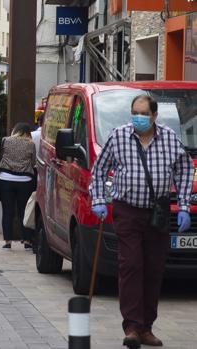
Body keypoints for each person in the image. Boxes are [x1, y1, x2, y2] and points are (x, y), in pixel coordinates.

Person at [90, 95, 194, 349]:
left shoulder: (169, 137)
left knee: (154, 269)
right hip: (128, 212)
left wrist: (183, 206)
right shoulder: (119, 136)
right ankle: (132, 327)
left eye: (143, 113)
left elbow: (185, 169)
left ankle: (147, 327)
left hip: (157, 213)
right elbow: (99, 169)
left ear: (154, 116)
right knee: (132, 265)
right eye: (134, 112)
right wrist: (99, 199)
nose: (138, 117)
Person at [0, 123, 36, 251]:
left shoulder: (5, 141)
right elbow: (33, 162)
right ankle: (27, 241)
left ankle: (7, 242)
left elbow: (1, 156)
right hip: (25, 180)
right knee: (24, 211)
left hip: (5, 178)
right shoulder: (31, 144)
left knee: (7, 211)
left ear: (15, 130)